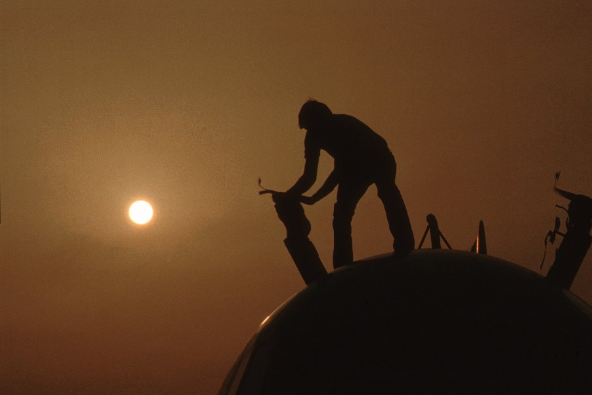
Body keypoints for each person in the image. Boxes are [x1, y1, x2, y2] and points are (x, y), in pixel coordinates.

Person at [285, 99, 415, 268]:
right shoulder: (312, 137)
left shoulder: (344, 125)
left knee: (388, 193)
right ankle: (342, 265)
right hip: (353, 169)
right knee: (341, 215)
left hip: (378, 158)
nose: (313, 131)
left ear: (324, 120)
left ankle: (404, 244)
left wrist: (314, 197)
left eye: (314, 125)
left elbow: (340, 171)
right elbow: (310, 176)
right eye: (310, 128)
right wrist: (292, 195)